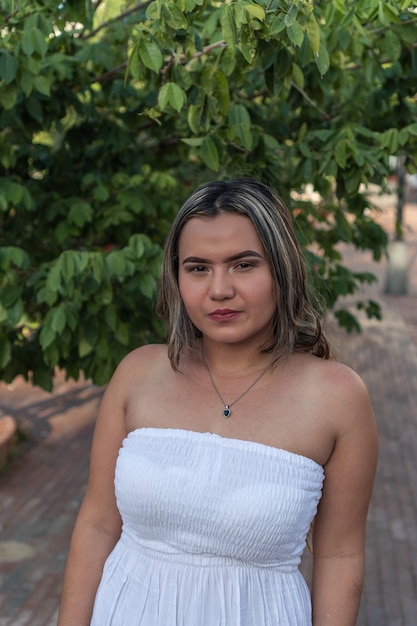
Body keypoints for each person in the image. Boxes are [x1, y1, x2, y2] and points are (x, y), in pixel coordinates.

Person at [58, 178, 378, 626]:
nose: (219, 289)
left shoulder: (337, 397)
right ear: (177, 276)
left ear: (282, 269)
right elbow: (96, 524)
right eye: (198, 268)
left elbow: (340, 555)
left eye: (243, 265)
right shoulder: (138, 374)